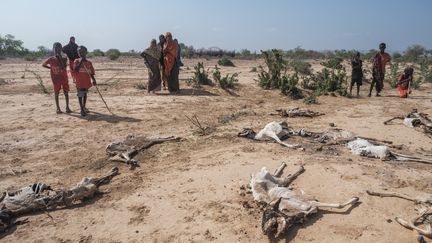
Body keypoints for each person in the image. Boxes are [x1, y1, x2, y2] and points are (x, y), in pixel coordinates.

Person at [42, 42, 71, 114]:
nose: (57, 50)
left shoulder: (64, 58)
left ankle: (67, 107)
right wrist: (50, 68)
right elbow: (43, 65)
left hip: (64, 78)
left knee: (66, 92)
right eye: (56, 49)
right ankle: (58, 108)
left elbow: (64, 67)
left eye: (59, 49)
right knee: (56, 93)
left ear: (61, 49)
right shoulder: (51, 59)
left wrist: (60, 58)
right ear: (53, 49)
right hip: (55, 79)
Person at [73, 46, 96, 116]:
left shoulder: (89, 62)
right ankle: (81, 109)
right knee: (80, 94)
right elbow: (76, 69)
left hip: (86, 81)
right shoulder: (76, 61)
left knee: (85, 93)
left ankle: (84, 106)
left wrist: (94, 80)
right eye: (79, 52)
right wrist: (81, 62)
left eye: (82, 52)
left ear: (86, 52)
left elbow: (91, 73)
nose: (80, 53)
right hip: (79, 82)